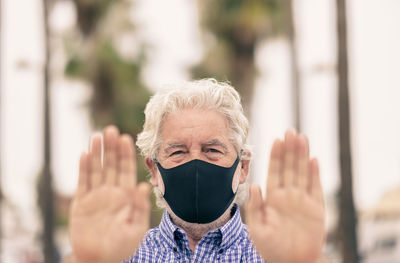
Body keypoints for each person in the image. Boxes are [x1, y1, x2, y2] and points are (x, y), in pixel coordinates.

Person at [65, 79, 325, 263]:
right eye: (178, 152)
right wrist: (86, 261)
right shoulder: (119, 254)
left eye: (212, 150)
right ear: (154, 170)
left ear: (243, 167)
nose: (196, 165)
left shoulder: (277, 254)